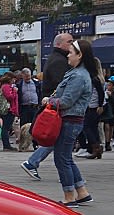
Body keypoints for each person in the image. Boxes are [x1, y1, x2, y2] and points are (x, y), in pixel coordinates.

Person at [44, 38, 94, 207]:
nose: (68, 56)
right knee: (67, 158)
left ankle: (69, 197)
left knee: (61, 159)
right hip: (71, 121)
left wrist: (49, 101)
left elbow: (66, 101)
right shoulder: (77, 73)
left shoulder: (79, 76)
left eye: (71, 53)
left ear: (80, 55)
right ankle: (82, 192)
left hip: (69, 121)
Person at [21, 33, 74, 180]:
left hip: (54, 104)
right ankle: (33, 162)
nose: (72, 44)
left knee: (58, 139)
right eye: (69, 42)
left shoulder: (57, 59)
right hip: (56, 106)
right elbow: (62, 86)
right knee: (59, 139)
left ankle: (33, 162)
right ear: (58, 44)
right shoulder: (59, 61)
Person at [0, 72, 20, 151]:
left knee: (6, 127)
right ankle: (6, 145)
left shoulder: (5, 86)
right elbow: (9, 97)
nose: (14, 81)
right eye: (13, 79)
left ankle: (6, 145)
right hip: (9, 109)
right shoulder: (6, 86)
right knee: (6, 127)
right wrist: (14, 91)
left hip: (10, 109)